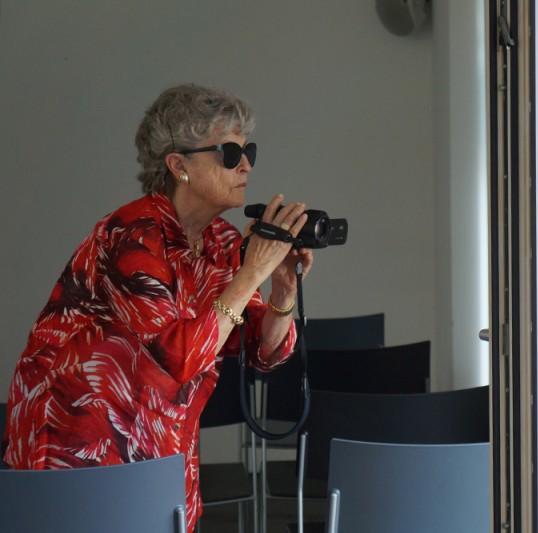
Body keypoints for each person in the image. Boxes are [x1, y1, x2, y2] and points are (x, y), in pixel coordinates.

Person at [2, 83, 314, 532]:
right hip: (77, 439)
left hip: (160, 437)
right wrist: (250, 275)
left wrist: (282, 293)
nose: (245, 164)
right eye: (229, 153)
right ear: (178, 165)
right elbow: (179, 358)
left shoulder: (223, 241)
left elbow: (261, 353)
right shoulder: (133, 235)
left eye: (249, 152)